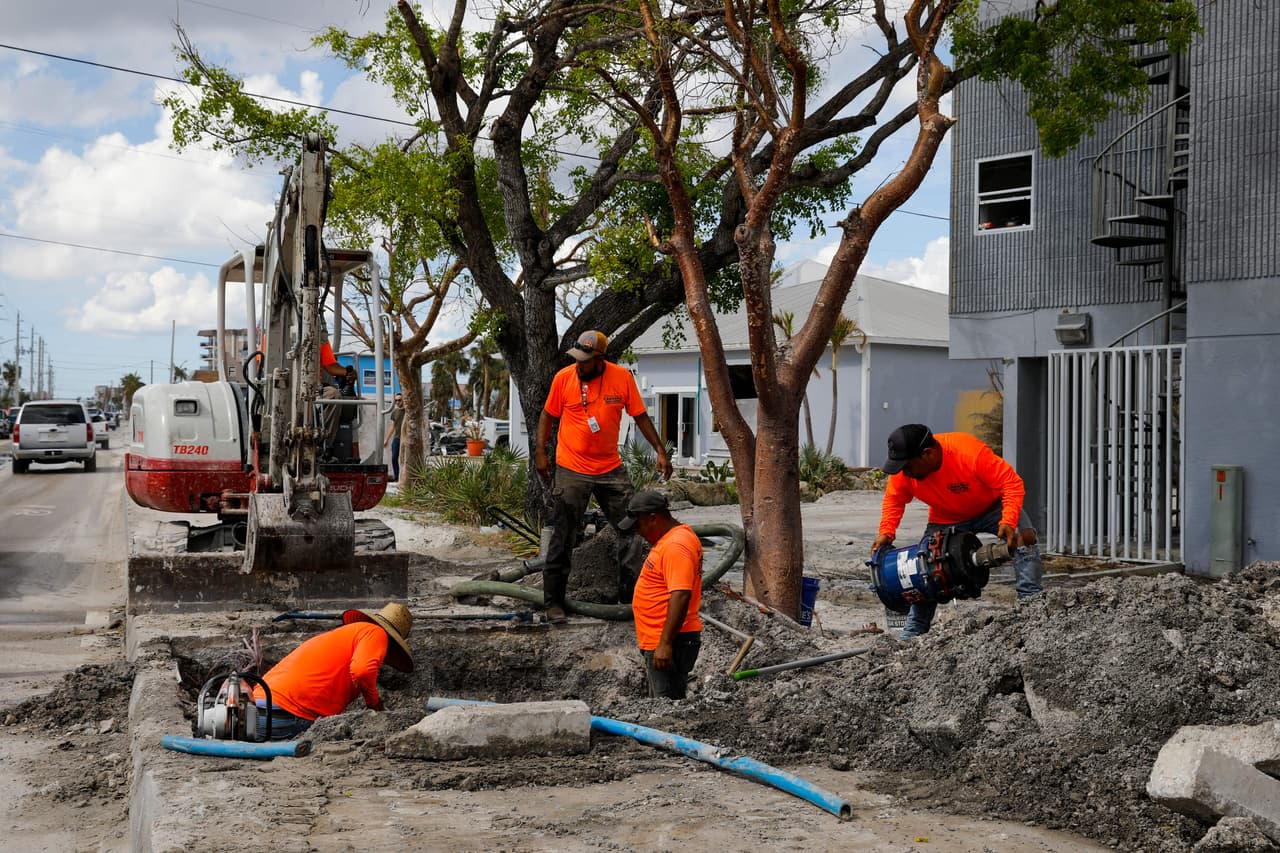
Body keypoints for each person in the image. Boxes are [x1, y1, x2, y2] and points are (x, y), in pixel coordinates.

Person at [534, 330, 673, 625]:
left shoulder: (621, 378)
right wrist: (540, 453)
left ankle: (629, 599)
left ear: (601, 359)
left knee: (631, 527)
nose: (579, 365)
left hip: (610, 468)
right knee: (564, 532)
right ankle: (553, 603)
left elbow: (640, 416)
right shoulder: (564, 378)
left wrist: (660, 450)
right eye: (577, 360)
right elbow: (547, 415)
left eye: (585, 361)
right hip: (571, 468)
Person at [872, 423, 1043, 640]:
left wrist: (1008, 520)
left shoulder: (968, 452)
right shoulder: (905, 472)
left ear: (928, 454)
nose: (905, 473)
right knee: (923, 565)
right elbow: (894, 499)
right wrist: (886, 532)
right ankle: (915, 628)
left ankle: (1032, 606)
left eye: (908, 467)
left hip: (992, 507)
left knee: (1024, 542)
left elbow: (1011, 482)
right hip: (945, 517)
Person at [251, 602, 413, 740]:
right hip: (287, 714)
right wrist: (375, 704)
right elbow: (362, 671)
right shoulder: (376, 633)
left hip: (256, 704)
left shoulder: (345, 635)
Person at [619, 491, 703, 699]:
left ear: (653, 518)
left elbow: (681, 594)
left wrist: (665, 644)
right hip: (662, 638)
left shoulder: (676, 546)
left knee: (666, 708)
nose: (638, 532)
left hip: (671, 641)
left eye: (638, 525)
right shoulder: (671, 539)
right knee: (662, 702)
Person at [383, 392, 405, 482]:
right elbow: (392, 426)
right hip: (397, 438)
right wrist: (386, 439)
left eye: (399, 400)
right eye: (396, 400)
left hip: (406, 439)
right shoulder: (395, 412)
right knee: (394, 458)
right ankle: (397, 477)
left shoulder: (408, 412)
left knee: (404, 459)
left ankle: (404, 478)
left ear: (403, 400)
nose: (397, 402)